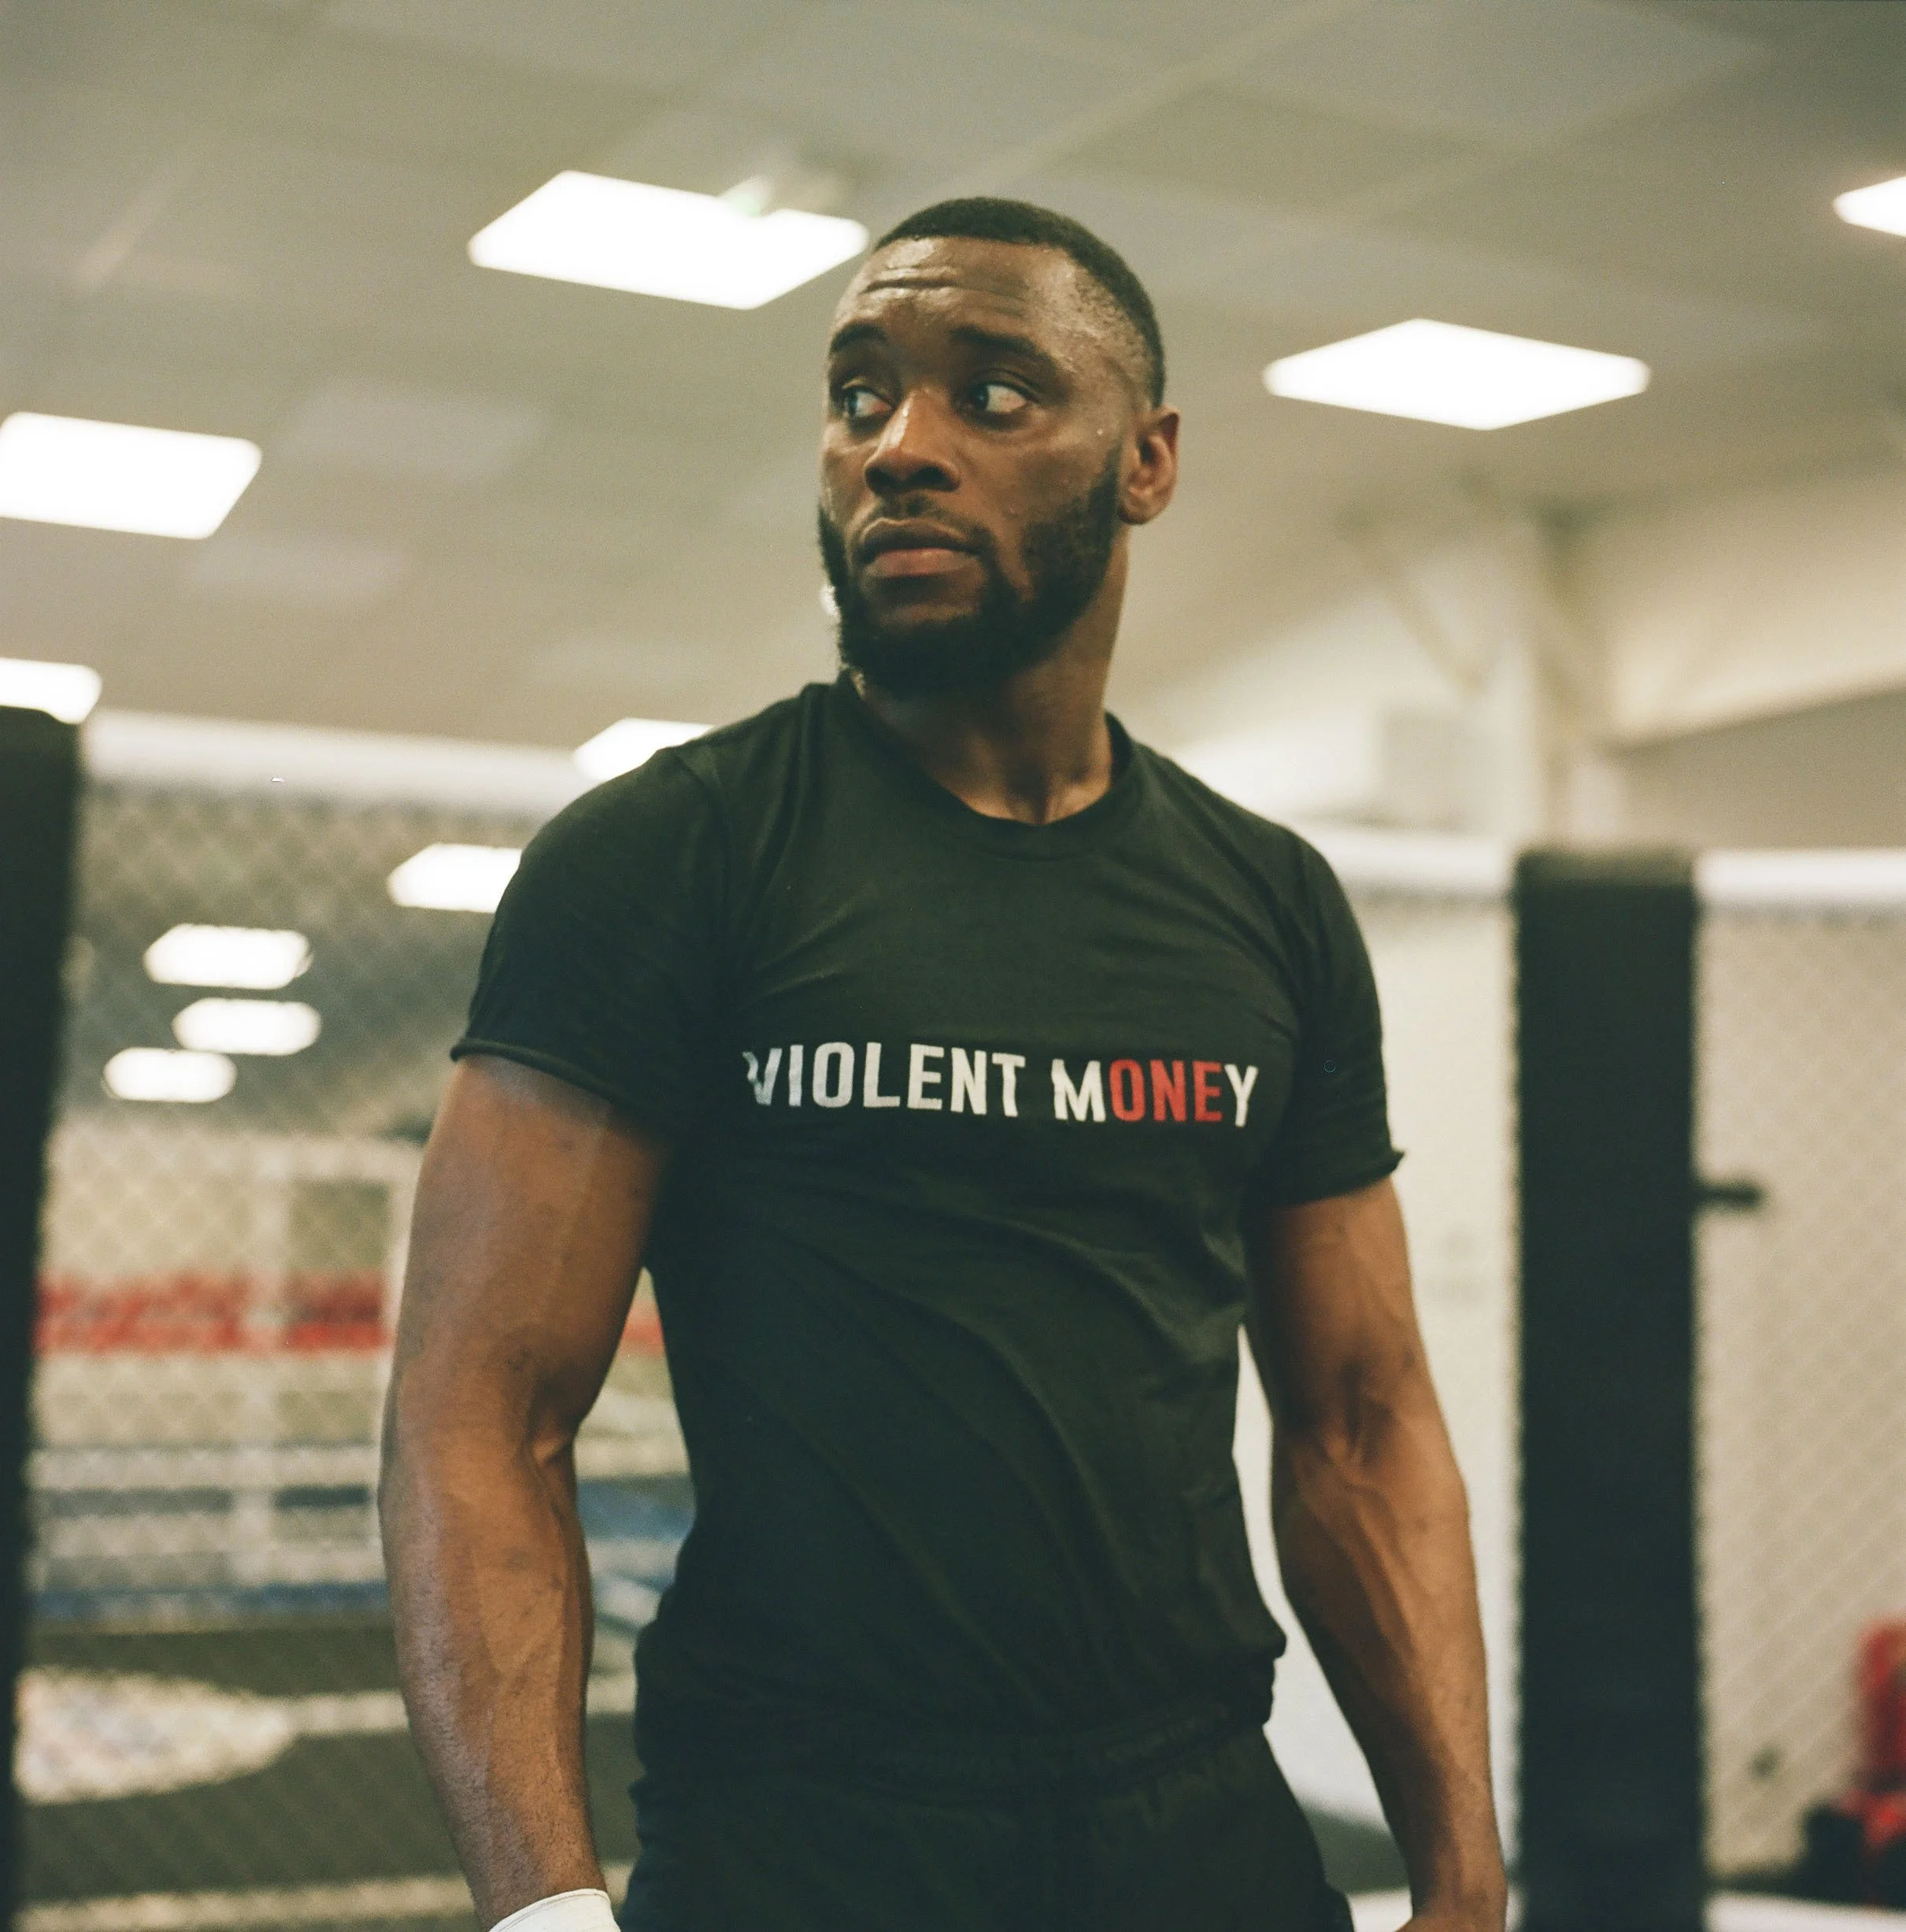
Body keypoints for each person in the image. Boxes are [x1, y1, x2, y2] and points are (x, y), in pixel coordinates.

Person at [380, 198, 1507, 1932]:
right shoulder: (673, 857)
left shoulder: (1267, 904)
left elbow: (1358, 1421)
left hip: (1201, 1818)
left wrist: (1460, 1877)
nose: (898, 447)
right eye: (858, 395)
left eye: (992, 394)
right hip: (811, 1836)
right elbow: (480, 1414)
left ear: (1145, 462)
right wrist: (545, 1913)